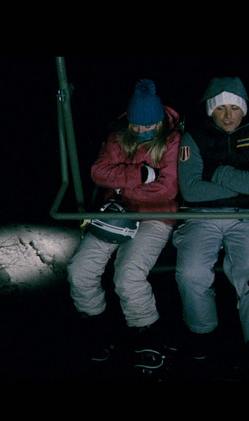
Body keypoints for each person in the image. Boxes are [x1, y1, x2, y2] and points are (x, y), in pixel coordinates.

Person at [67, 79, 181, 373]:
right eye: (137, 126)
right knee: (80, 271)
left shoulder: (172, 140)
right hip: (117, 213)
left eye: (149, 126)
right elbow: (98, 172)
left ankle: (148, 337)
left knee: (128, 275)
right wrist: (143, 175)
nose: (142, 132)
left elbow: (167, 189)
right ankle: (97, 330)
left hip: (155, 215)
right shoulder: (119, 137)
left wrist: (120, 186)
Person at [174, 76, 249, 372]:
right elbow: (191, 189)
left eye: (235, 108)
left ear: (244, 109)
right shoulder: (193, 137)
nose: (229, 115)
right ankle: (202, 333)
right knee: (191, 272)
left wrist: (218, 172)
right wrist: (241, 183)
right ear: (210, 110)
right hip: (200, 217)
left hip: (244, 217)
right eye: (221, 109)